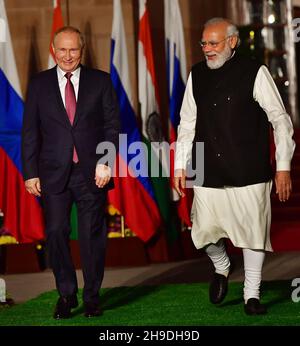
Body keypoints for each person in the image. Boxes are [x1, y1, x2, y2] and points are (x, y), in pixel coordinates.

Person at [174, 17, 295, 315]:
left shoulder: (255, 71)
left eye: (213, 43)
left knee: (253, 234)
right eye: (204, 43)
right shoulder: (197, 74)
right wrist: (179, 165)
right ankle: (221, 265)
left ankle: (251, 295)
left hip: (249, 169)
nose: (207, 49)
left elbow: (279, 120)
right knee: (202, 233)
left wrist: (283, 166)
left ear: (232, 42)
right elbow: (187, 123)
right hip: (207, 168)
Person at [22, 26, 120, 319]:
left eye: (73, 49)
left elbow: (112, 126)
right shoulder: (39, 85)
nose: (68, 55)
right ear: (54, 50)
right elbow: (30, 132)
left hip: (92, 172)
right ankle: (66, 294)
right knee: (55, 232)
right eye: (62, 49)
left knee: (92, 237)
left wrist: (106, 162)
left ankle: (91, 296)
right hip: (52, 173)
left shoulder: (100, 81)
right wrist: (30, 172)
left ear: (82, 49)